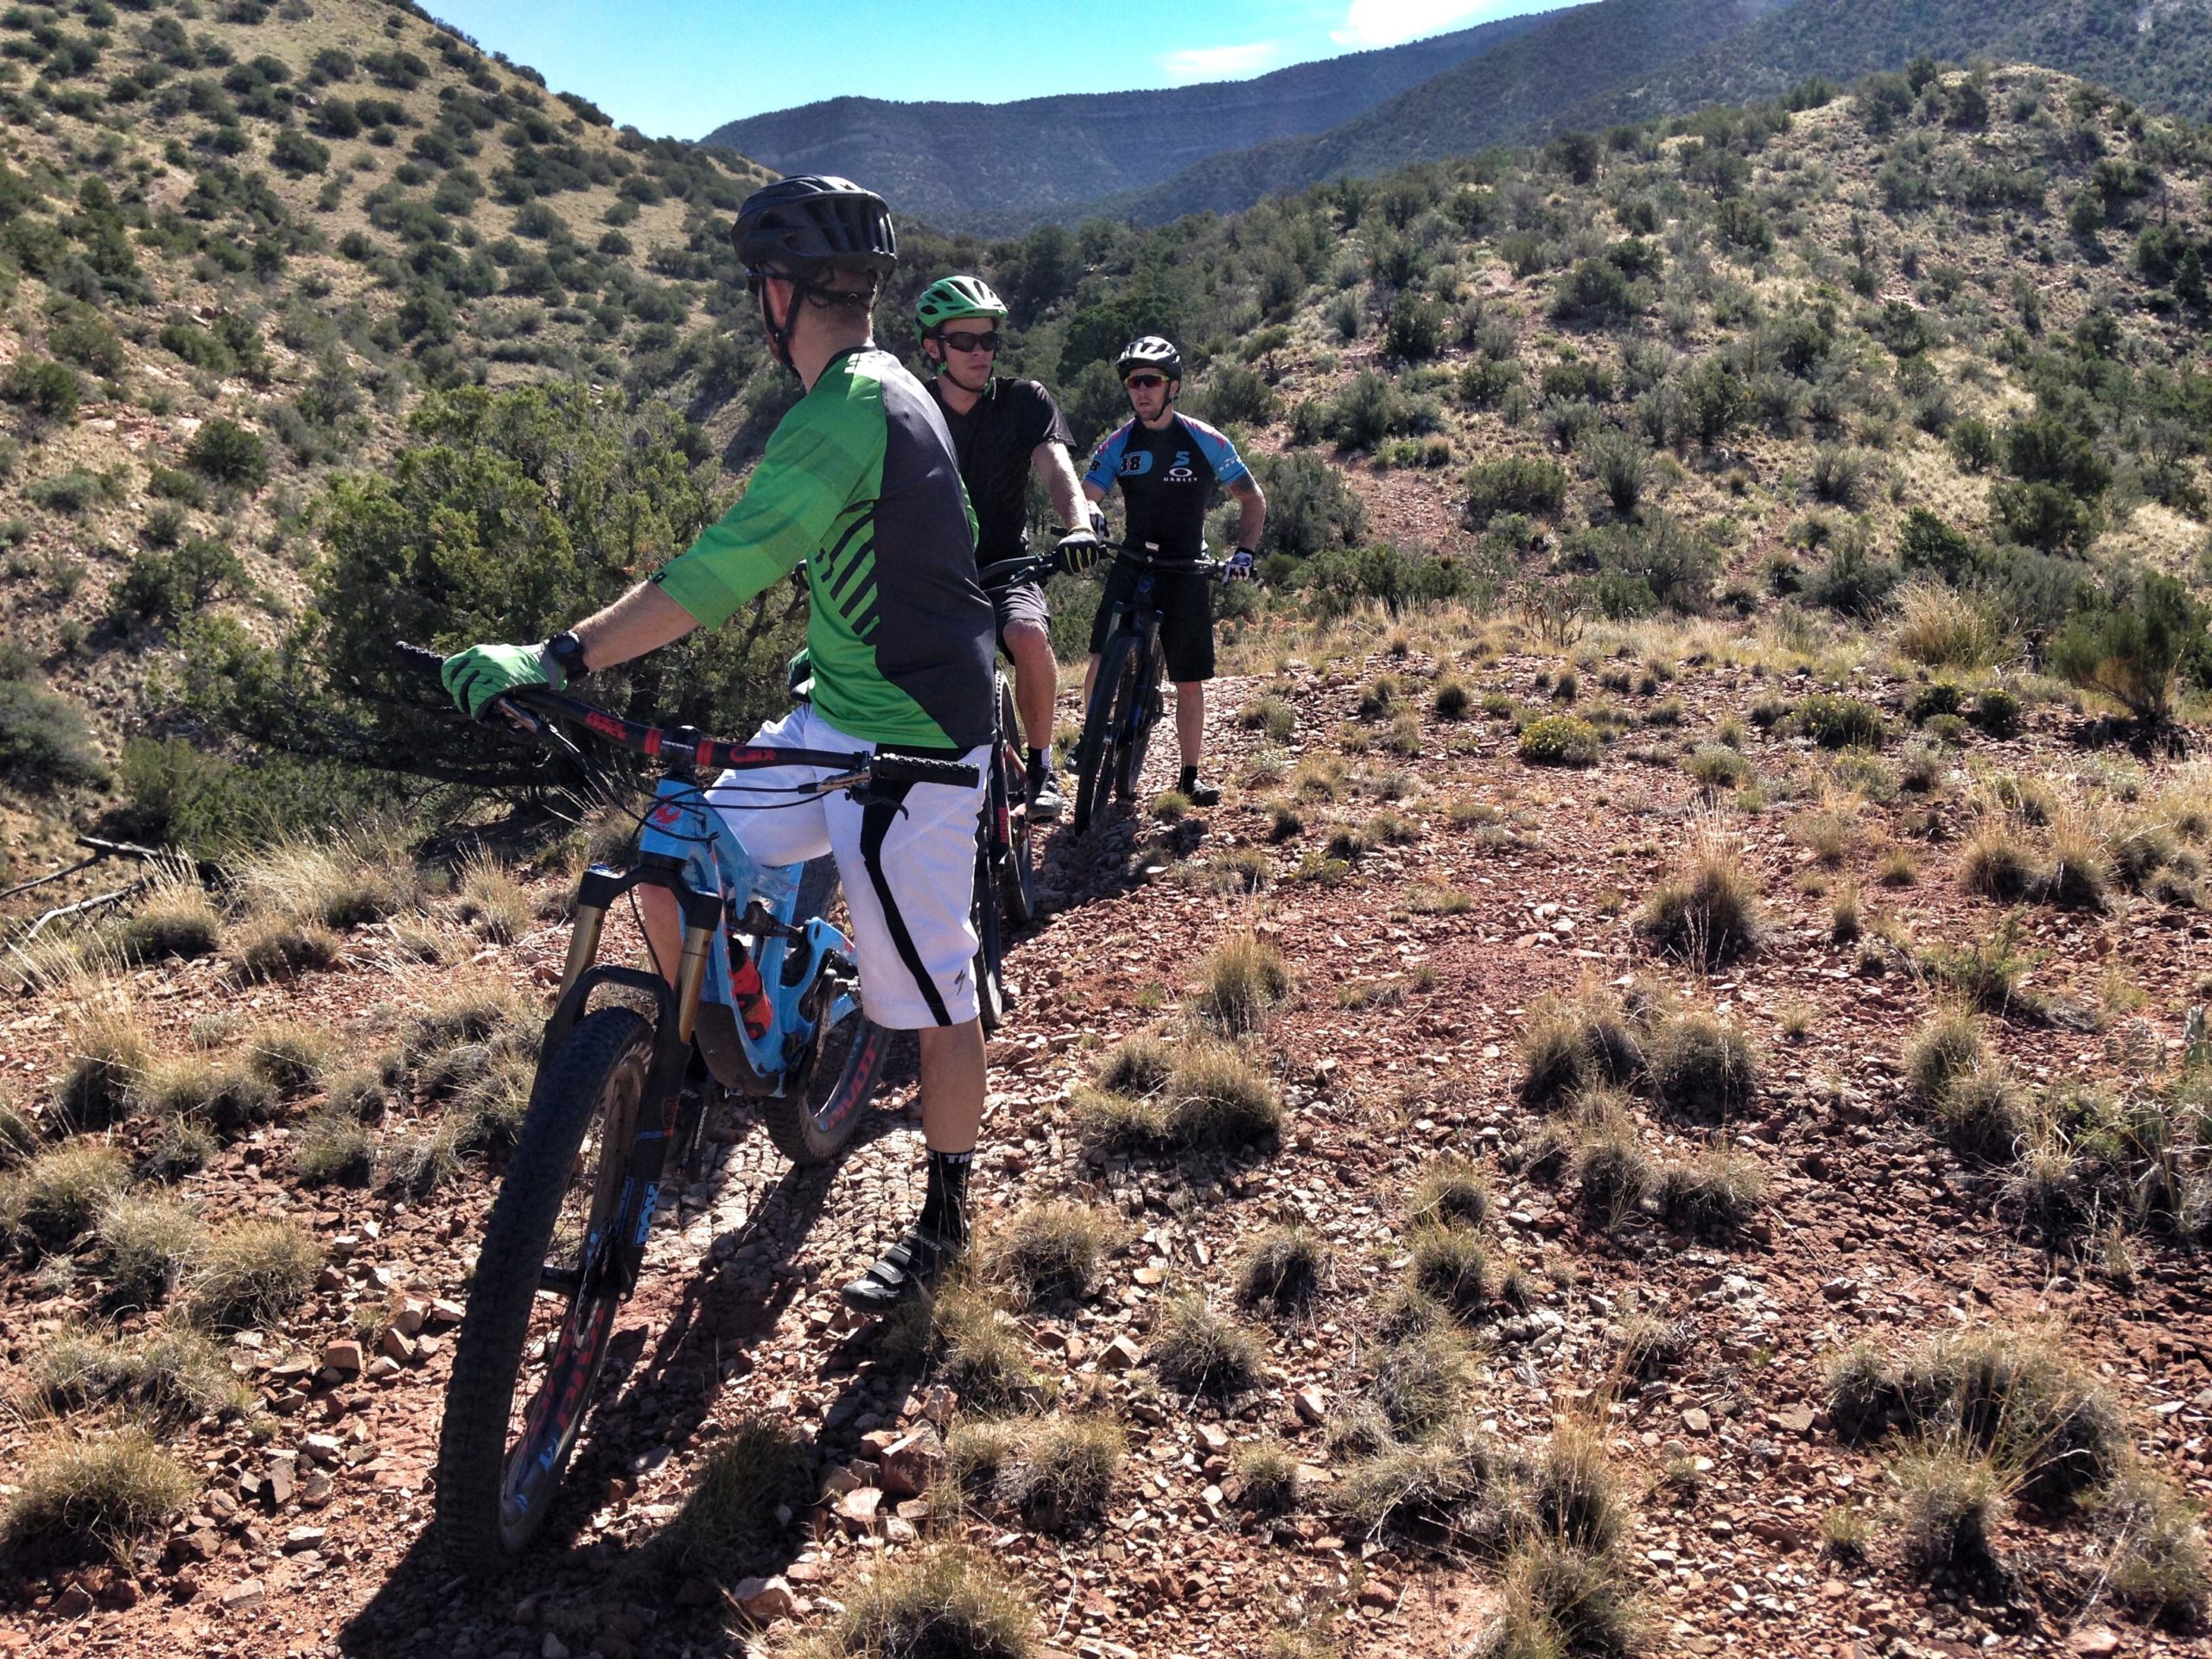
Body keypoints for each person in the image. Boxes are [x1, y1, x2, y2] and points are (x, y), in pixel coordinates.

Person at [440, 175, 995, 1313]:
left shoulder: (843, 408)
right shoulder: (890, 387)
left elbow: (713, 575)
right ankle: (727, 1036)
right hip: (841, 709)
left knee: (933, 997)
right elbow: (931, 544)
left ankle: (946, 1217)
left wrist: (556, 658)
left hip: (917, 750)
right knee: (672, 847)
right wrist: (836, 652)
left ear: (777, 295)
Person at [915, 275, 1099, 820]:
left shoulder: (1023, 400)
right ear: (934, 347)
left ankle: (1041, 768)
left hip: (1005, 564)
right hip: (933, 572)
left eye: (988, 340)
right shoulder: (909, 407)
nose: (979, 352)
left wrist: (1078, 525)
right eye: (964, 341)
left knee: (1026, 634)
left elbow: (1057, 468)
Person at [1081, 334, 1265, 808]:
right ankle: (1090, 741)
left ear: (1172, 386)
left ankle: (1188, 775)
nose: (1140, 390)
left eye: (1150, 381)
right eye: (1132, 382)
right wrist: (1090, 515)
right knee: (1100, 656)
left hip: (1185, 564)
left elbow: (1252, 498)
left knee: (1188, 679)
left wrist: (1244, 552)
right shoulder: (1119, 442)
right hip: (1133, 557)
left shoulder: (1205, 439)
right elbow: (1086, 494)